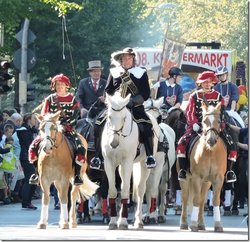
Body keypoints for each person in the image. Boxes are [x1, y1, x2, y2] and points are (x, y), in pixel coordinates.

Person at [89, 47, 156, 170]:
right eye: (124, 58)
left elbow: (146, 93)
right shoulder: (114, 72)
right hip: (115, 106)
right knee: (98, 123)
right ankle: (98, 157)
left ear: (133, 59)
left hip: (133, 106)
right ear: (120, 60)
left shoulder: (140, 72)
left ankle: (149, 155)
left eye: (129, 58)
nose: (127, 60)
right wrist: (112, 100)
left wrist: (133, 102)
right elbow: (108, 90)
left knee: (146, 125)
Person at [176, 71, 237, 183]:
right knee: (181, 143)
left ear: (213, 83)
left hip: (215, 126)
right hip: (197, 126)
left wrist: (221, 124)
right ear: (200, 83)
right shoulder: (194, 95)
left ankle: (229, 171)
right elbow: (190, 111)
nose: (207, 84)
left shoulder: (218, 96)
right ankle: (184, 170)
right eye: (205, 82)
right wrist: (193, 123)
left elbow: (222, 112)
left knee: (232, 145)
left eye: (209, 82)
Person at [28, 74, 86, 185]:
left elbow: (76, 115)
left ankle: (77, 175)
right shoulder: (50, 99)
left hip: (68, 129)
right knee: (34, 146)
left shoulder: (72, 99)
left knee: (80, 147)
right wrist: (50, 124)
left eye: (62, 85)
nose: (60, 87)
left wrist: (68, 125)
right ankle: (36, 173)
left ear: (66, 86)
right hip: (50, 129)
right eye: (58, 85)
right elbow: (44, 114)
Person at [16, 113, 38, 209]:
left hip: (31, 157)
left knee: (33, 180)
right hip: (26, 157)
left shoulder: (30, 130)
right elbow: (29, 144)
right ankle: (26, 202)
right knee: (29, 180)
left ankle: (28, 201)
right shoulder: (23, 130)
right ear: (29, 119)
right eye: (34, 118)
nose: (35, 120)